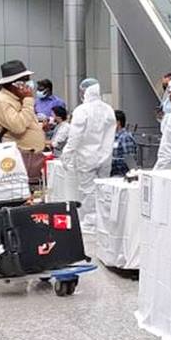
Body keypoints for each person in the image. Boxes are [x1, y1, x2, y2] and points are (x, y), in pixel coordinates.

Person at [61, 78, 116, 233]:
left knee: (88, 191)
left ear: (85, 92)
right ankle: (104, 221)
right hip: (105, 157)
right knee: (103, 190)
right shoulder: (108, 109)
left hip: (86, 157)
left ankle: (91, 222)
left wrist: (67, 153)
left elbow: (75, 136)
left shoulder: (82, 111)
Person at [0, 60, 46, 154]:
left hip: (31, 154)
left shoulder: (20, 98)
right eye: (25, 80)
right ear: (15, 84)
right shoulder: (2, 101)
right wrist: (28, 100)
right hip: (16, 156)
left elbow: (26, 120)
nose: (29, 83)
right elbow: (18, 127)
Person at [110, 110, 138, 177]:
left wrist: (111, 161)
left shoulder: (125, 138)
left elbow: (130, 161)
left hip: (122, 176)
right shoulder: (113, 137)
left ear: (118, 122)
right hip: (113, 174)